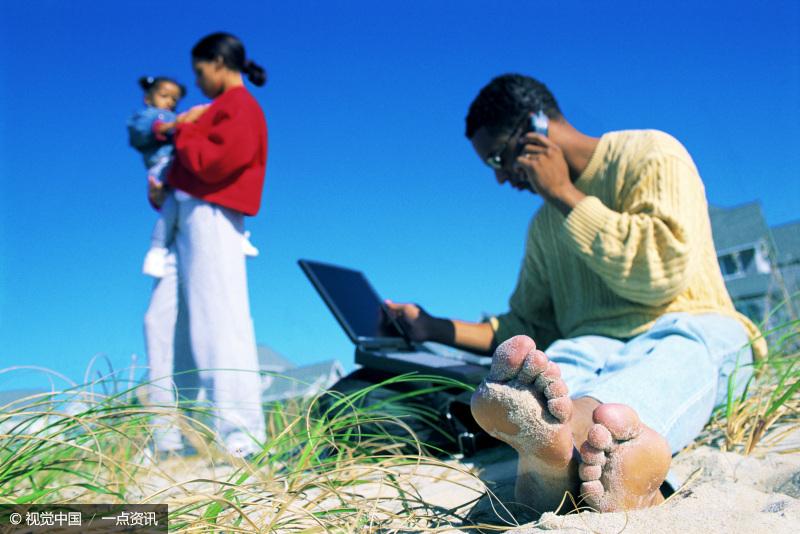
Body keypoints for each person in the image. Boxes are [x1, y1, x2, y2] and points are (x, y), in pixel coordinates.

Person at [386, 74, 766, 514]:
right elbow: (526, 325)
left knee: (678, 353)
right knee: (562, 359)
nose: (501, 178)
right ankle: (563, 451)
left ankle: (589, 439)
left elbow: (659, 275)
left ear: (536, 127)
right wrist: (431, 326)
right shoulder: (543, 226)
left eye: (497, 158)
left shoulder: (650, 153)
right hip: (594, 340)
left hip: (690, 319)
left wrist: (566, 195)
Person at [145, 32, 269, 458]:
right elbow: (191, 165)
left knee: (220, 321)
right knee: (161, 323)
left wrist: (182, 131)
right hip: (184, 218)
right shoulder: (216, 109)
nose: (196, 82)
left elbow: (215, 163)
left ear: (218, 62)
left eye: (200, 71)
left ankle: (242, 439)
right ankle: (168, 438)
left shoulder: (239, 106)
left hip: (212, 215)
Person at [127, 76, 187, 278]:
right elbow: (145, 131)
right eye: (164, 96)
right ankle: (157, 248)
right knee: (170, 207)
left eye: (174, 100)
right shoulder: (148, 116)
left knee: (177, 209)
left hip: (175, 164)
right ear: (148, 98)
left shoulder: (172, 117)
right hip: (162, 166)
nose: (170, 102)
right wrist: (173, 126)